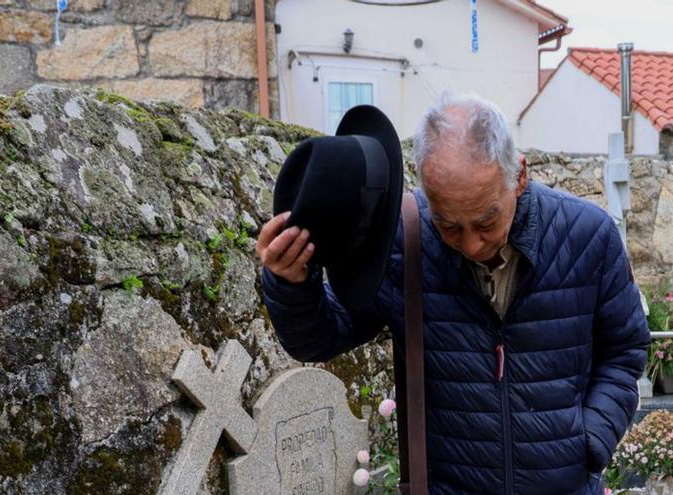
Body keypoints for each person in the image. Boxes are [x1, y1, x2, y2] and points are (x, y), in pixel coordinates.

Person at [256, 93, 650, 495]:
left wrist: (590, 442)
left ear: (519, 175)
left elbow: (625, 349)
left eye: (486, 220)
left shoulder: (588, 235)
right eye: (448, 225)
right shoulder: (404, 242)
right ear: (425, 185)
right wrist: (292, 283)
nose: (472, 243)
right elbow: (318, 339)